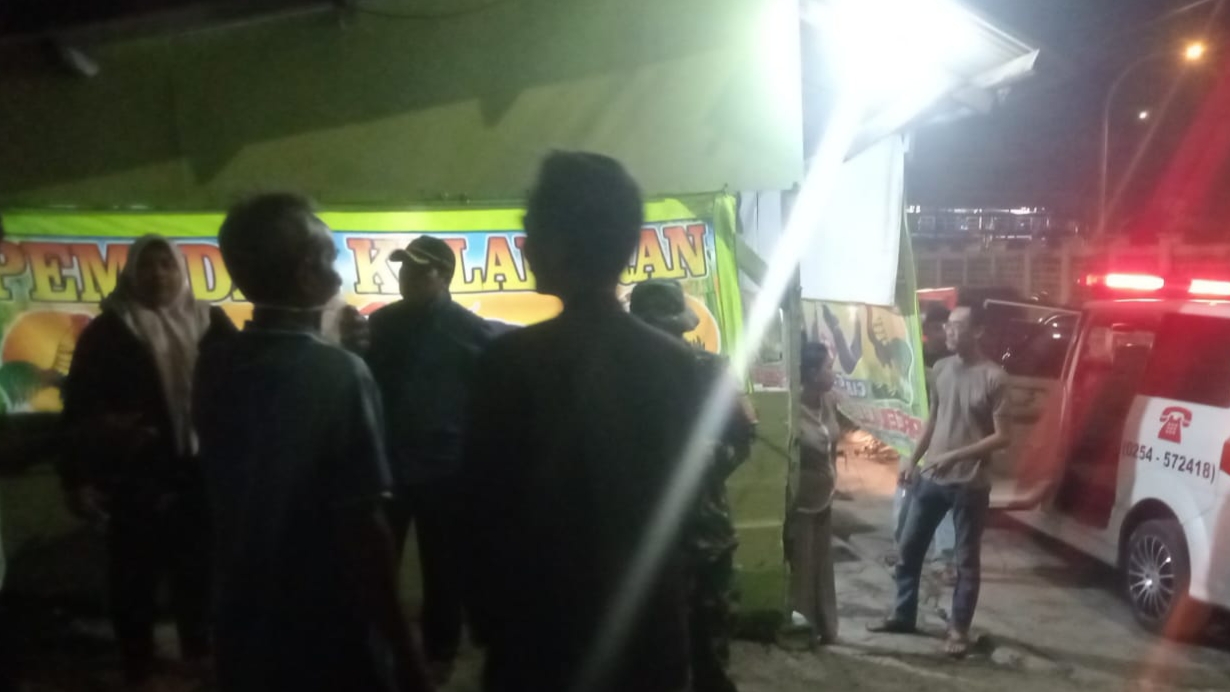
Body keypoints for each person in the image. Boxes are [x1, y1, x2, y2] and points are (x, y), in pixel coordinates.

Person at [463, 152, 702, 692]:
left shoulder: (509, 364)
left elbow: (481, 515)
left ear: (557, 244)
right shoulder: (674, 363)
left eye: (529, 229)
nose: (523, 244)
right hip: (649, 635)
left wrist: (489, 623)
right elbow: (684, 512)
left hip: (542, 639)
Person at [194, 193, 432, 692]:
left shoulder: (215, 364)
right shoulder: (341, 373)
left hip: (243, 623)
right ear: (306, 273)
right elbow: (364, 528)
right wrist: (406, 652)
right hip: (324, 628)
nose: (338, 275)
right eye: (328, 257)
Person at [61, 234, 236, 690]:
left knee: (198, 567)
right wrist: (78, 477)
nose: (158, 274)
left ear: (182, 271)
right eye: (147, 265)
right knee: (133, 573)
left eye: (166, 265)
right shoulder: (109, 330)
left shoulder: (211, 322)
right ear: (131, 273)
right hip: (135, 472)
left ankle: (197, 651)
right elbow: (78, 407)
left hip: (200, 470)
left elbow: (244, 390)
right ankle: (137, 663)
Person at [365, 234, 495, 682]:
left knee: (444, 570)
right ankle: (381, 649)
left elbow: (487, 404)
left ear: (445, 275)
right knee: (378, 566)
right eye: (404, 267)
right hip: (389, 469)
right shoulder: (380, 324)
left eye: (420, 269)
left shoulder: (471, 331)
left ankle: (440, 652)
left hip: (446, 471)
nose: (408, 276)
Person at [628, 279, 756, 692]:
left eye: (672, 330)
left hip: (702, 537)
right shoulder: (614, 374)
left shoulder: (709, 370)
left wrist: (706, 460)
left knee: (709, 654)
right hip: (636, 543)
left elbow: (742, 436)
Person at [869, 303, 1010, 657]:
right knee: (909, 550)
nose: (948, 331)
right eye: (947, 325)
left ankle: (958, 630)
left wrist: (956, 456)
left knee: (965, 563)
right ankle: (903, 615)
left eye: (958, 326)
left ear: (978, 331)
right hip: (932, 478)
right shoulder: (941, 369)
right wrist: (912, 457)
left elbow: (1003, 436)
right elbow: (933, 418)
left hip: (969, 485)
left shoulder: (994, 377)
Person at [785, 342, 841, 646]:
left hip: (825, 496)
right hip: (802, 501)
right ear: (811, 373)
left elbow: (833, 444)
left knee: (822, 564)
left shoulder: (828, 400)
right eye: (828, 367)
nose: (833, 373)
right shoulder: (792, 408)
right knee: (802, 567)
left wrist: (834, 477)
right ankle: (800, 628)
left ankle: (825, 625)